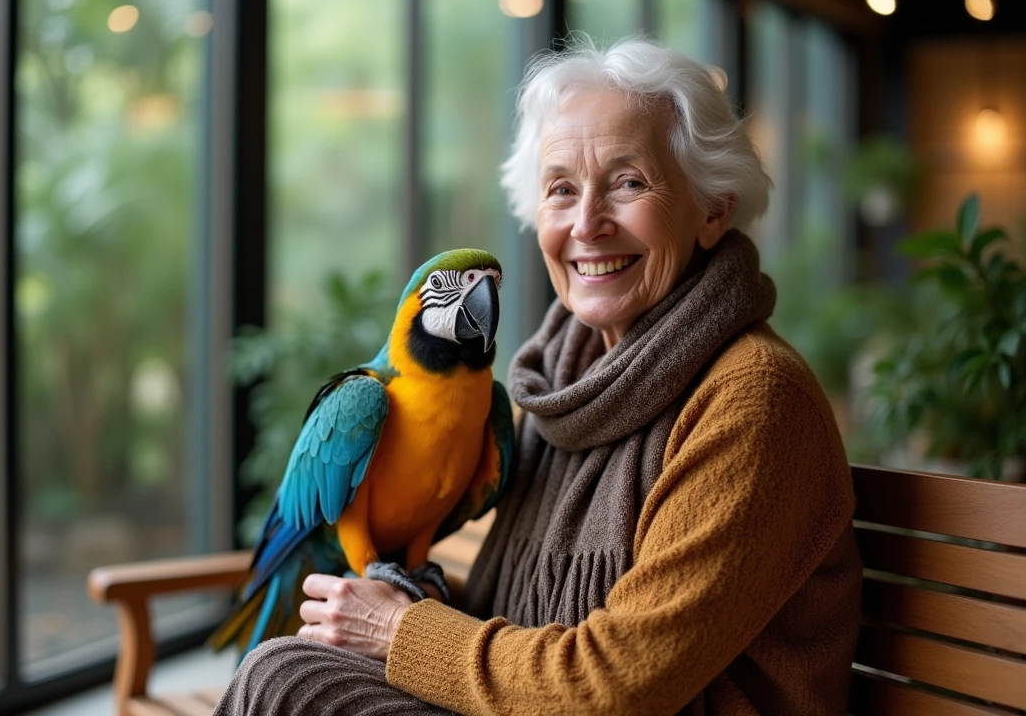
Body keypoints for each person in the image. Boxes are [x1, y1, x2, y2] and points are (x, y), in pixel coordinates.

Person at [217, 37, 862, 716]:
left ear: (713, 209)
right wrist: (418, 601)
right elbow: (508, 621)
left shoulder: (754, 400)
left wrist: (400, 629)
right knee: (293, 669)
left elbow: (618, 686)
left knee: (286, 681)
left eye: (629, 182)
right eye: (561, 190)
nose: (587, 224)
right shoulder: (557, 385)